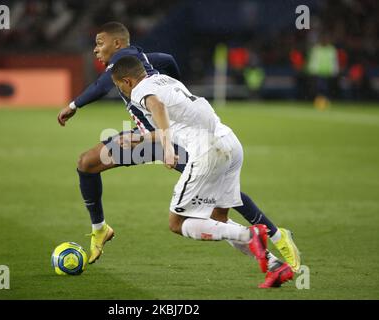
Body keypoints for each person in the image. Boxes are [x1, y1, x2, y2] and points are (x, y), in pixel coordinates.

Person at [57, 22, 301, 273]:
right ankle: (100, 230)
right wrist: (174, 89)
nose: (96, 49)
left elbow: (101, 86)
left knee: (215, 205)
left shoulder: (122, 60)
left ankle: (274, 239)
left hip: (168, 139)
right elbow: (168, 59)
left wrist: (74, 105)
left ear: (117, 44)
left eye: (100, 43)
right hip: (154, 138)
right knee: (87, 163)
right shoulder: (140, 59)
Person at [110, 56, 295, 287]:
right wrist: (140, 138)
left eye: (120, 87)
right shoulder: (165, 81)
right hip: (229, 142)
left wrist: (167, 149)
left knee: (177, 224)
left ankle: (250, 235)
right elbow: (178, 125)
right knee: (220, 219)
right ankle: (275, 265)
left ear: (127, 81)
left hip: (208, 151)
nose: (123, 92)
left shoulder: (140, 91)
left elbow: (157, 107)